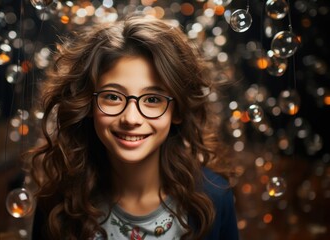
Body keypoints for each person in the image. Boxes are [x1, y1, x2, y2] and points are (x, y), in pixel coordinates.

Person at [28, 15, 239, 240]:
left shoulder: (215, 197)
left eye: (152, 99)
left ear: (176, 110)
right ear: (88, 103)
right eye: (112, 96)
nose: (131, 118)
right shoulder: (57, 204)